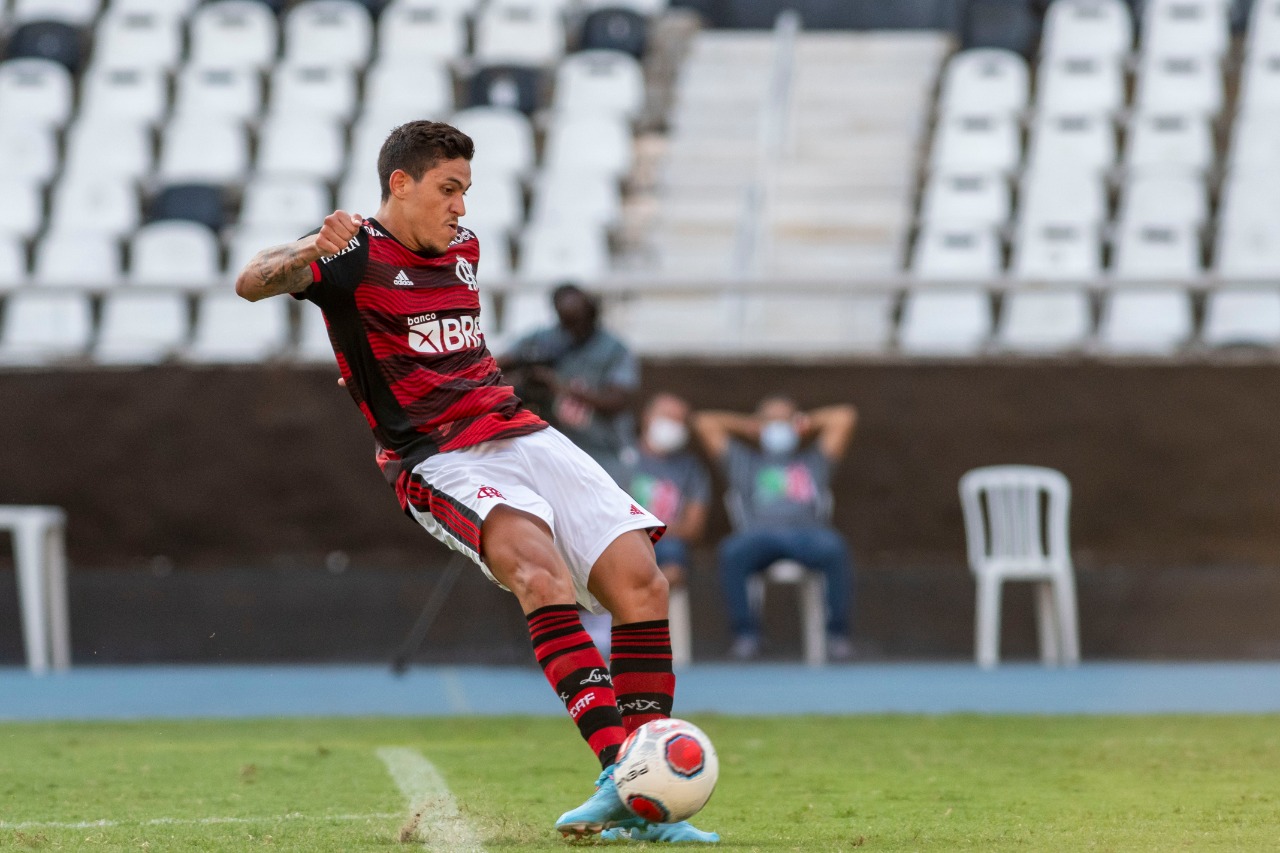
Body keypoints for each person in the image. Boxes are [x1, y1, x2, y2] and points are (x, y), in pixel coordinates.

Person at [233, 120, 716, 844]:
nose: (461, 206)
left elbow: (433, 340)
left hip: (517, 429)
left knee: (643, 582)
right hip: (439, 457)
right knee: (540, 574)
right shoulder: (350, 252)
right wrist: (307, 249)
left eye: (466, 190)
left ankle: (643, 804)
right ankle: (622, 772)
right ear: (400, 184)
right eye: (448, 189)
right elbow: (250, 282)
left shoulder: (463, 249)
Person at [692, 396, 859, 662]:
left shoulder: (814, 460)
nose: (778, 426)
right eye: (771, 420)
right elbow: (704, 422)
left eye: (786, 420)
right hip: (758, 537)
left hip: (808, 535)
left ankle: (837, 637)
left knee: (835, 548)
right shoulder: (743, 462)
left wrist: (805, 423)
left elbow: (845, 416)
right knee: (731, 551)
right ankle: (746, 636)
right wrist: (749, 425)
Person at [497, 284, 638, 485]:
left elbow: (616, 401)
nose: (573, 329)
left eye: (579, 319)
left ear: (592, 313)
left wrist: (560, 386)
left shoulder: (614, 349)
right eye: (567, 321)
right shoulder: (542, 339)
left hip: (601, 452)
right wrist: (522, 378)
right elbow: (494, 367)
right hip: (550, 449)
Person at [629, 393, 710, 596]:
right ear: (647, 417)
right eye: (667, 417)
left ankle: (638, 602)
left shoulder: (691, 469)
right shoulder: (621, 458)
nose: (673, 425)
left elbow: (693, 529)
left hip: (666, 543)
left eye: (680, 420)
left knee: (674, 560)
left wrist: (647, 530)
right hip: (621, 540)